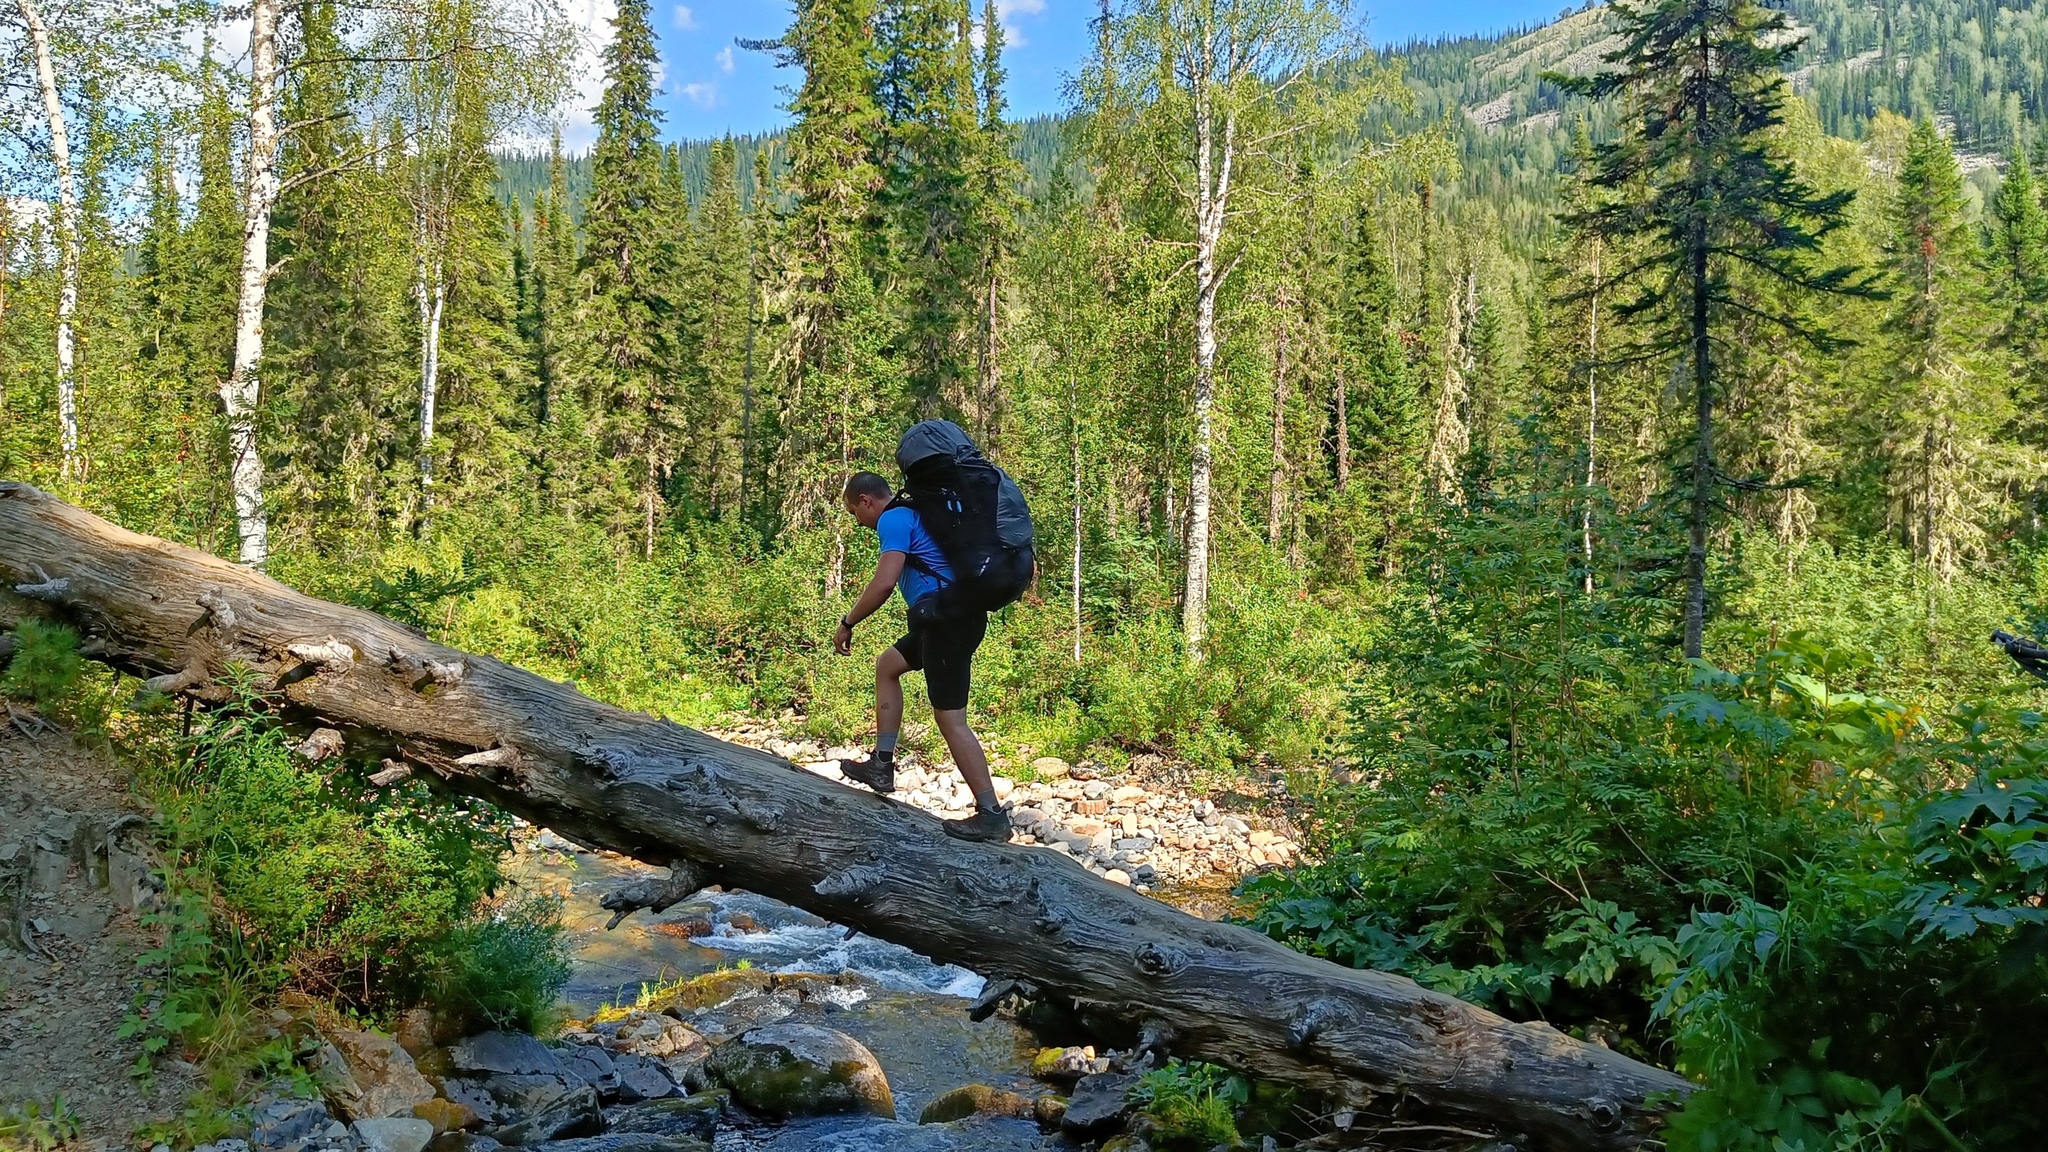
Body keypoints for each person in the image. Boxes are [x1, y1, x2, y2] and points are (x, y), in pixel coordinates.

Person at [833, 470, 1012, 842]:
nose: (858, 522)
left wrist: (848, 622)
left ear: (866, 501)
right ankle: (882, 765)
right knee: (888, 665)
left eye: (855, 513)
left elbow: (884, 583)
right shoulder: (916, 513)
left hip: (948, 621)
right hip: (946, 618)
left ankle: (992, 814)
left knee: (951, 720)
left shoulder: (895, 518)